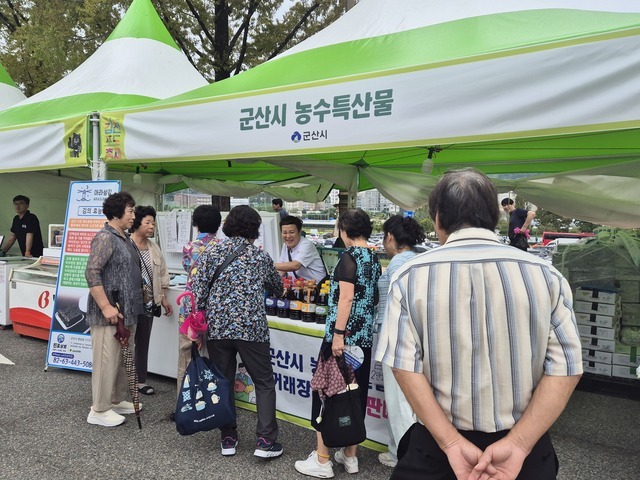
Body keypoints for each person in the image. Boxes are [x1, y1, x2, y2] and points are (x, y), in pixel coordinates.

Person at [376, 169, 583, 480]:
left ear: (437, 219)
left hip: (436, 449)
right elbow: (567, 367)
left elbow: (404, 366)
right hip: (525, 452)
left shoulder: (409, 277)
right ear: (496, 217)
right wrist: (519, 443)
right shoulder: (546, 275)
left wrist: (450, 441)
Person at [191, 205, 284, 459]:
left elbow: (197, 290)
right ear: (255, 228)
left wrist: (197, 325)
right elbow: (277, 288)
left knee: (224, 381)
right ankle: (265, 441)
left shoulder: (211, 252)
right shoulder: (259, 256)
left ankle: (228, 438)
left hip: (218, 328)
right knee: (264, 382)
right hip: (251, 329)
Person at [295, 208, 381, 478]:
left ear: (344, 230)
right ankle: (350, 456)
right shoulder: (374, 257)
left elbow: (345, 299)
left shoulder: (348, 257)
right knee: (354, 396)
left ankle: (322, 460)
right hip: (363, 341)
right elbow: (373, 298)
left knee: (327, 394)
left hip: (341, 341)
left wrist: (339, 335)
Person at [84, 192, 145, 427]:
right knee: (106, 360)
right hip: (109, 313)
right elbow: (92, 271)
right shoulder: (105, 237)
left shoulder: (123, 237)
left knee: (122, 358)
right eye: (130, 211)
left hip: (127, 310)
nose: (133, 215)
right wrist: (106, 306)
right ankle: (99, 409)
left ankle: (115, 400)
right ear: (116, 213)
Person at [375, 215, 425, 468]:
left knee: (399, 401)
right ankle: (407, 451)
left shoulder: (397, 266)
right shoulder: (420, 260)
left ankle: (401, 455)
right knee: (415, 400)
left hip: (396, 339)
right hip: (420, 338)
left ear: (390, 237)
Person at [177, 204, 222, 393]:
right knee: (213, 357)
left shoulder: (189, 247)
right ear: (218, 225)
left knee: (186, 355)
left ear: (195, 225)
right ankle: (211, 402)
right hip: (214, 307)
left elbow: (189, 270)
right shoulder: (222, 248)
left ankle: (184, 402)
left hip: (191, 309)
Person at [130, 206, 173, 396]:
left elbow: (162, 274)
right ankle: (123, 381)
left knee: (143, 342)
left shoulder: (154, 248)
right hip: (129, 303)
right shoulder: (125, 244)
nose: (151, 226)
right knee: (126, 342)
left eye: (153, 223)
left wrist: (163, 298)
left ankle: (140, 381)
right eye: (147, 222)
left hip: (148, 304)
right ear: (136, 222)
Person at [274, 215, 327, 284]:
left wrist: (269, 265)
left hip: (315, 288)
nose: (288, 236)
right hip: (298, 287)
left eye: (292, 232)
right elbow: (282, 269)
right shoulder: (285, 246)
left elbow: (295, 265)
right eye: (285, 233)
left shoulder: (306, 244)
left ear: (299, 232)